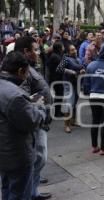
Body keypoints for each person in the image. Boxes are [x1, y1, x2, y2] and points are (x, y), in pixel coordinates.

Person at [0, 51, 46, 200]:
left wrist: (28, 104)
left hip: (4, 151)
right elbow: (32, 121)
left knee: (7, 188)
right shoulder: (15, 95)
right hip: (17, 154)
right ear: (20, 71)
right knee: (19, 194)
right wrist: (38, 107)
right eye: (26, 73)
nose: (26, 77)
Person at [15, 36, 52, 200]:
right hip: (35, 121)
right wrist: (40, 109)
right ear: (26, 52)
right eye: (35, 49)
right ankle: (29, 193)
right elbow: (23, 98)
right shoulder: (21, 70)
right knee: (38, 158)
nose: (38, 52)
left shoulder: (29, 67)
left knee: (39, 158)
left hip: (40, 120)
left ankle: (33, 192)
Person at [57, 44, 85, 133]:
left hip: (77, 83)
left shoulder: (78, 59)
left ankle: (73, 121)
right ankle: (66, 125)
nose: (75, 51)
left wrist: (82, 71)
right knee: (69, 104)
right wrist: (72, 72)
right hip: (68, 83)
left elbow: (82, 68)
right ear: (68, 52)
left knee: (74, 103)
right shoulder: (66, 59)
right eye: (72, 50)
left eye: (75, 49)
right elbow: (59, 69)